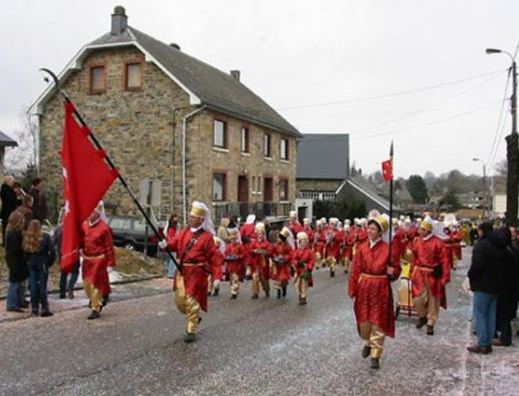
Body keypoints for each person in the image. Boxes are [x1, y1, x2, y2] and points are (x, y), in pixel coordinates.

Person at [348, 214, 401, 369]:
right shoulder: (362, 248)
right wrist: (353, 288)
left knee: (378, 320)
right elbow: (355, 269)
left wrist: (393, 272)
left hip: (381, 287)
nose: (369, 231)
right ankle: (368, 341)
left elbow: (396, 269)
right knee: (364, 320)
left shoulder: (388, 249)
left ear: (380, 232)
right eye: (368, 228)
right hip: (364, 287)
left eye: (373, 229)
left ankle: (376, 354)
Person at [161, 201, 218, 343]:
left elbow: (214, 258)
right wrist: (166, 245)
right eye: (190, 216)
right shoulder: (184, 232)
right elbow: (174, 244)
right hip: (182, 271)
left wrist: (217, 276)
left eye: (193, 217)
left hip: (197, 273)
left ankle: (191, 329)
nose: (190, 219)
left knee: (192, 300)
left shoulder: (207, 237)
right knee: (180, 301)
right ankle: (194, 316)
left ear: (200, 219)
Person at [410, 217, 450, 336]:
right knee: (417, 298)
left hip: (433, 274)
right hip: (419, 273)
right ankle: (422, 315)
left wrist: (444, 276)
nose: (420, 231)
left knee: (433, 299)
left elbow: (445, 261)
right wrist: (411, 271)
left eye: (422, 229)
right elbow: (414, 257)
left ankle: (431, 322)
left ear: (428, 230)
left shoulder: (438, 243)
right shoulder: (417, 241)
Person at [80, 207, 116, 320]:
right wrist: (80, 248)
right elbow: (81, 239)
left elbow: (109, 247)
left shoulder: (104, 228)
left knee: (95, 284)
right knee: (86, 284)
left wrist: (110, 262)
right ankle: (99, 298)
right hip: (87, 259)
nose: (90, 214)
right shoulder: (84, 225)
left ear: (98, 213)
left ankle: (96, 307)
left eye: (92, 212)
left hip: (99, 259)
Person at [22, 219, 56, 317]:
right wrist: (48, 262)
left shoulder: (28, 238)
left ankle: (34, 307)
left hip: (31, 263)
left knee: (33, 286)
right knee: (42, 286)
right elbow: (52, 252)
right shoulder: (45, 237)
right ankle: (44, 307)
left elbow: (24, 252)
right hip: (42, 262)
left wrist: (28, 261)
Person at [494, 227, 519, 347]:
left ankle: (505, 337)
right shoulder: (512, 249)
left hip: (505, 286)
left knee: (503, 313)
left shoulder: (505, 251)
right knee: (506, 312)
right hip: (512, 285)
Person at [5, 212, 28, 312]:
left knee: (20, 282)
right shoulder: (15, 234)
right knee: (14, 283)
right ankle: (12, 303)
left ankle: (19, 300)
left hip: (15, 260)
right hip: (16, 261)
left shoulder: (11, 233)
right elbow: (15, 249)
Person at [54, 222, 80, 299]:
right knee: (74, 272)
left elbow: (54, 241)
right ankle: (70, 287)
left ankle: (62, 292)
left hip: (63, 254)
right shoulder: (76, 228)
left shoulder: (59, 228)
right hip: (73, 253)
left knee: (64, 274)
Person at [248, 222, 272, 298]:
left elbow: (270, 251)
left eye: (261, 233)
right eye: (259, 233)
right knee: (255, 277)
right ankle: (255, 293)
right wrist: (254, 251)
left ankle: (266, 289)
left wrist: (264, 252)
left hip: (264, 263)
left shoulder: (266, 242)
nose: (260, 235)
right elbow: (250, 250)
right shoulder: (254, 242)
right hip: (256, 262)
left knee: (264, 278)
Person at [292, 231, 314, 305]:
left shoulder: (309, 251)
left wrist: (308, 266)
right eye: (302, 242)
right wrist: (297, 263)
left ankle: (303, 297)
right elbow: (293, 259)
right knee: (297, 284)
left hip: (305, 270)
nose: (303, 243)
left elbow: (311, 261)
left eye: (305, 242)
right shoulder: (296, 251)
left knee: (304, 283)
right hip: (298, 270)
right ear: (299, 242)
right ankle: (300, 294)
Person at [271, 227, 294, 299]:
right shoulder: (275, 245)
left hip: (284, 264)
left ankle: (284, 288)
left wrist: (284, 258)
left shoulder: (287, 246)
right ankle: (278, 292)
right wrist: (275, 257)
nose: (278, 239)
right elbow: (272, 252)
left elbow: (290, 254)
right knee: (278, 278)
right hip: (277, 264)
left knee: (283, 278)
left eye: (279, 238)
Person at [224, 229, 246, 299]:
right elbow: (225, 254)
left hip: (237, 265)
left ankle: (234, 293)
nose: (233, 240)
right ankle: (233, 289)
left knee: (235, 278)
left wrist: (238, 256)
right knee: (231, 280)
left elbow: (243, 254)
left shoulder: (239, 246)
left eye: (234, 239)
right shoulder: (228, 246)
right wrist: (226, 257)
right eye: (232, 239)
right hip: (230, 265)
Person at [1, 176, 20, 246]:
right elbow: (10, 200)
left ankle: (8, 241)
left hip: (10, 210)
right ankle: (5, 241)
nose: (13, 183)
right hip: (7, 212)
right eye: (12, 181)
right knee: (6, 226)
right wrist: (19, 201)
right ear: (8, 181)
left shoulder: (8, 189)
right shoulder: (5, 189)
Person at [164, 213, 179, 278]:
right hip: (171, 244)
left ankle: (170, 272)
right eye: (176, 217)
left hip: (172, 243)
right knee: (172, 259)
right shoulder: (170, 226)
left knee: (171, 259)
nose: (177, 219)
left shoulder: (176, 226)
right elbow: (166, 233)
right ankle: (171, 273)